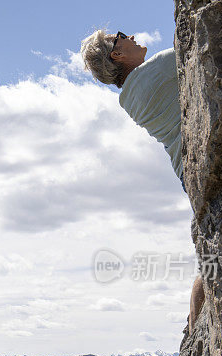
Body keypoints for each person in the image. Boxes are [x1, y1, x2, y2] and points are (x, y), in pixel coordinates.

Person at [80, 30, 205, 335]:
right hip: (204, 163)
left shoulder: (129, 97)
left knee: (212, 257)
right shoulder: (155, 71)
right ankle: (195, 327)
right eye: (121, 36)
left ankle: (194, 327)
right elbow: (198, 39)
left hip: (190, 173)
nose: (131, 35)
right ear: (117, 55)